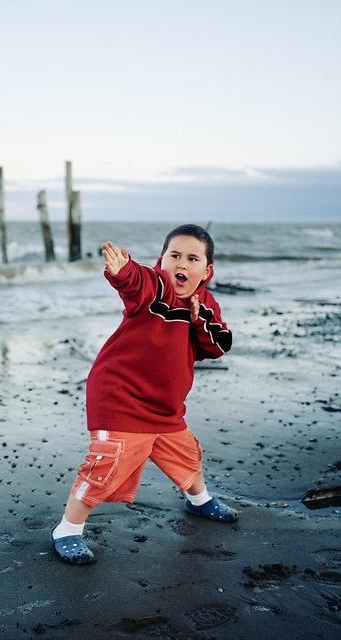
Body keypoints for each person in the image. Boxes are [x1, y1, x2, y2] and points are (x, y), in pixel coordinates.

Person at [52, 224, 235, 565]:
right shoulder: (155, 288)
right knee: (105, 466)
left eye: (192, 258)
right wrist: (122, 271)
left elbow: (218, 346)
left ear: (206, 271)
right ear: (161, 260)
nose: (181, 263)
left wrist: (199, 320)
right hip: (121, 398)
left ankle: (199, 500)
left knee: (187, 456)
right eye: (174, 255)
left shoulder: (205, 305)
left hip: (166, 410)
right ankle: (68, 529)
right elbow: (137, 283)